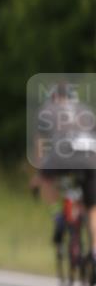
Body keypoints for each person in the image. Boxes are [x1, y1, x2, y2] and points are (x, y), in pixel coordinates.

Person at [31, 82, 96, 264]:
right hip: (90, 157)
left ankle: (58, 216)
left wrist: (38, 172)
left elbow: (40, 144)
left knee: (45, 179)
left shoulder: (47, 110)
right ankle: (95, 251)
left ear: (52, 97)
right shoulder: (85, 110)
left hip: (62, 155)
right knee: (92, 209)